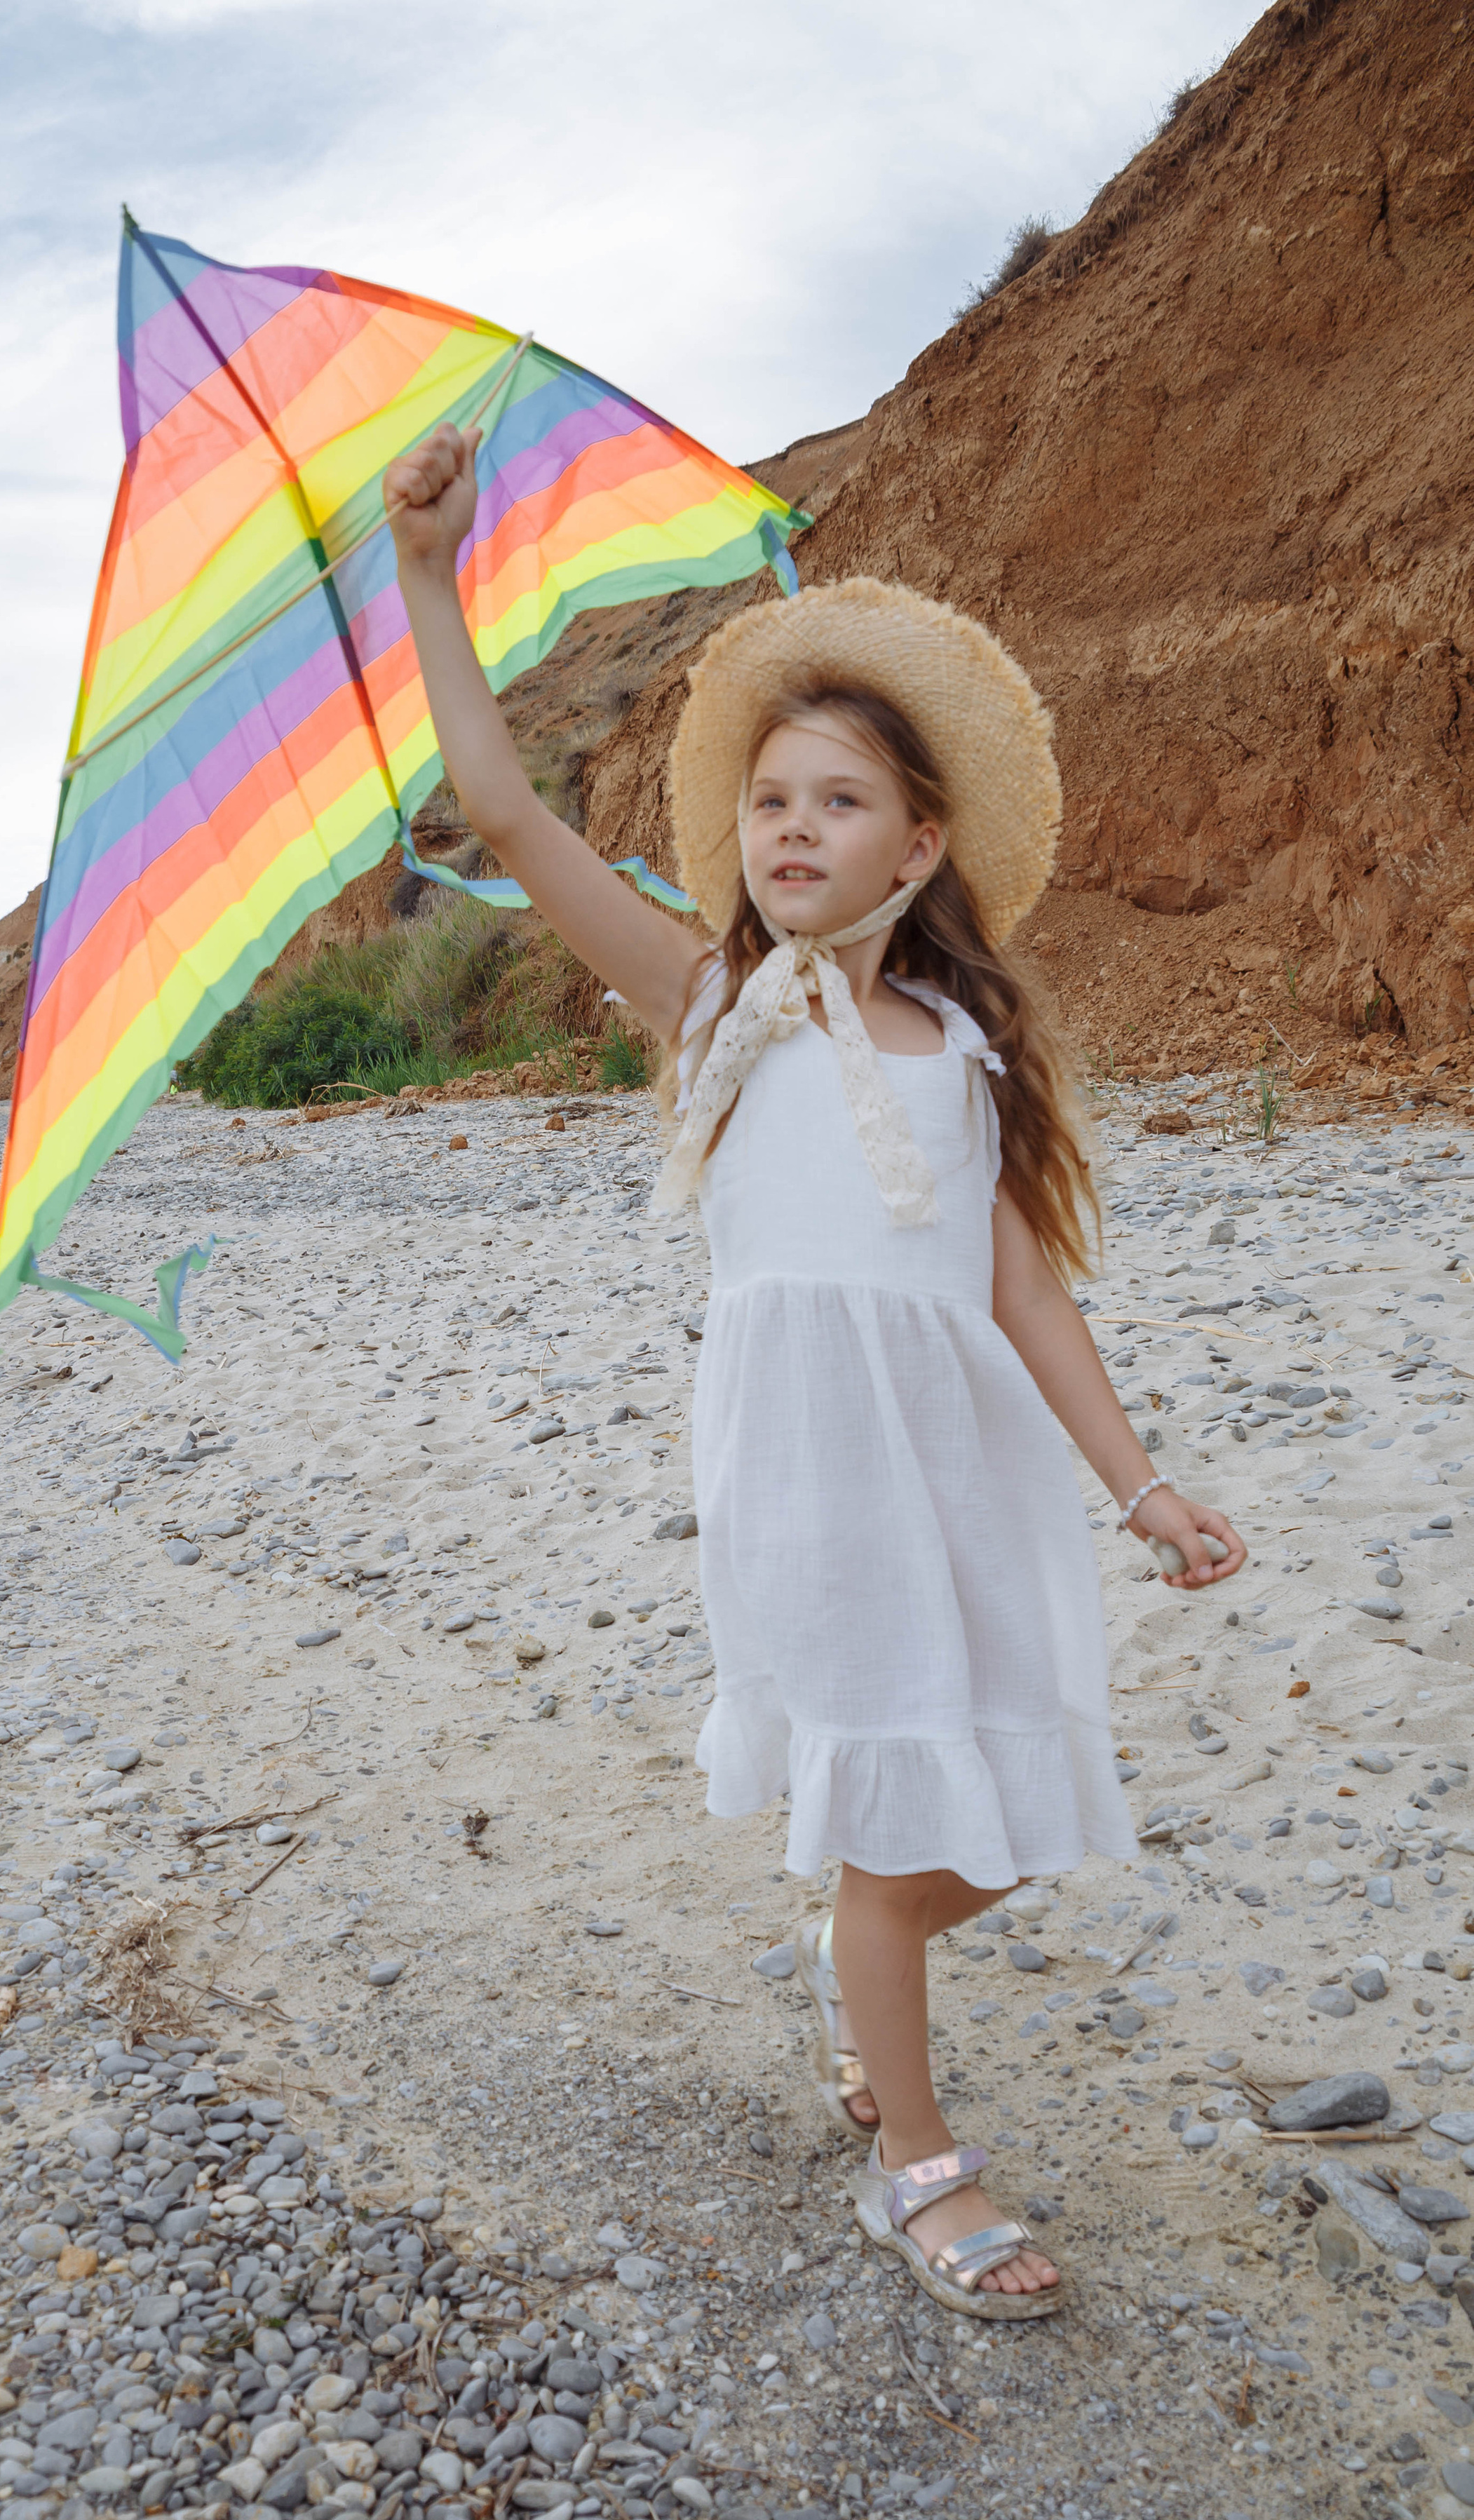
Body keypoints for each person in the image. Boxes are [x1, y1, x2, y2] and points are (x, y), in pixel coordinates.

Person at [385, 422, 1244, 2317]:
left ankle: (878, 1991)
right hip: (810, 1483)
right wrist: (434, 581)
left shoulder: (971, 1046)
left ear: (919, 841)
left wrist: (1142, 1485)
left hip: (969, 1473)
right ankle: (918, 2164)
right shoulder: (709, 1010)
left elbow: (1027, 1299)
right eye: (768, 799)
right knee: (883, 1819)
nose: (788, 829)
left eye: (836, 802)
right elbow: (511, 819)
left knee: (1008, 1823)